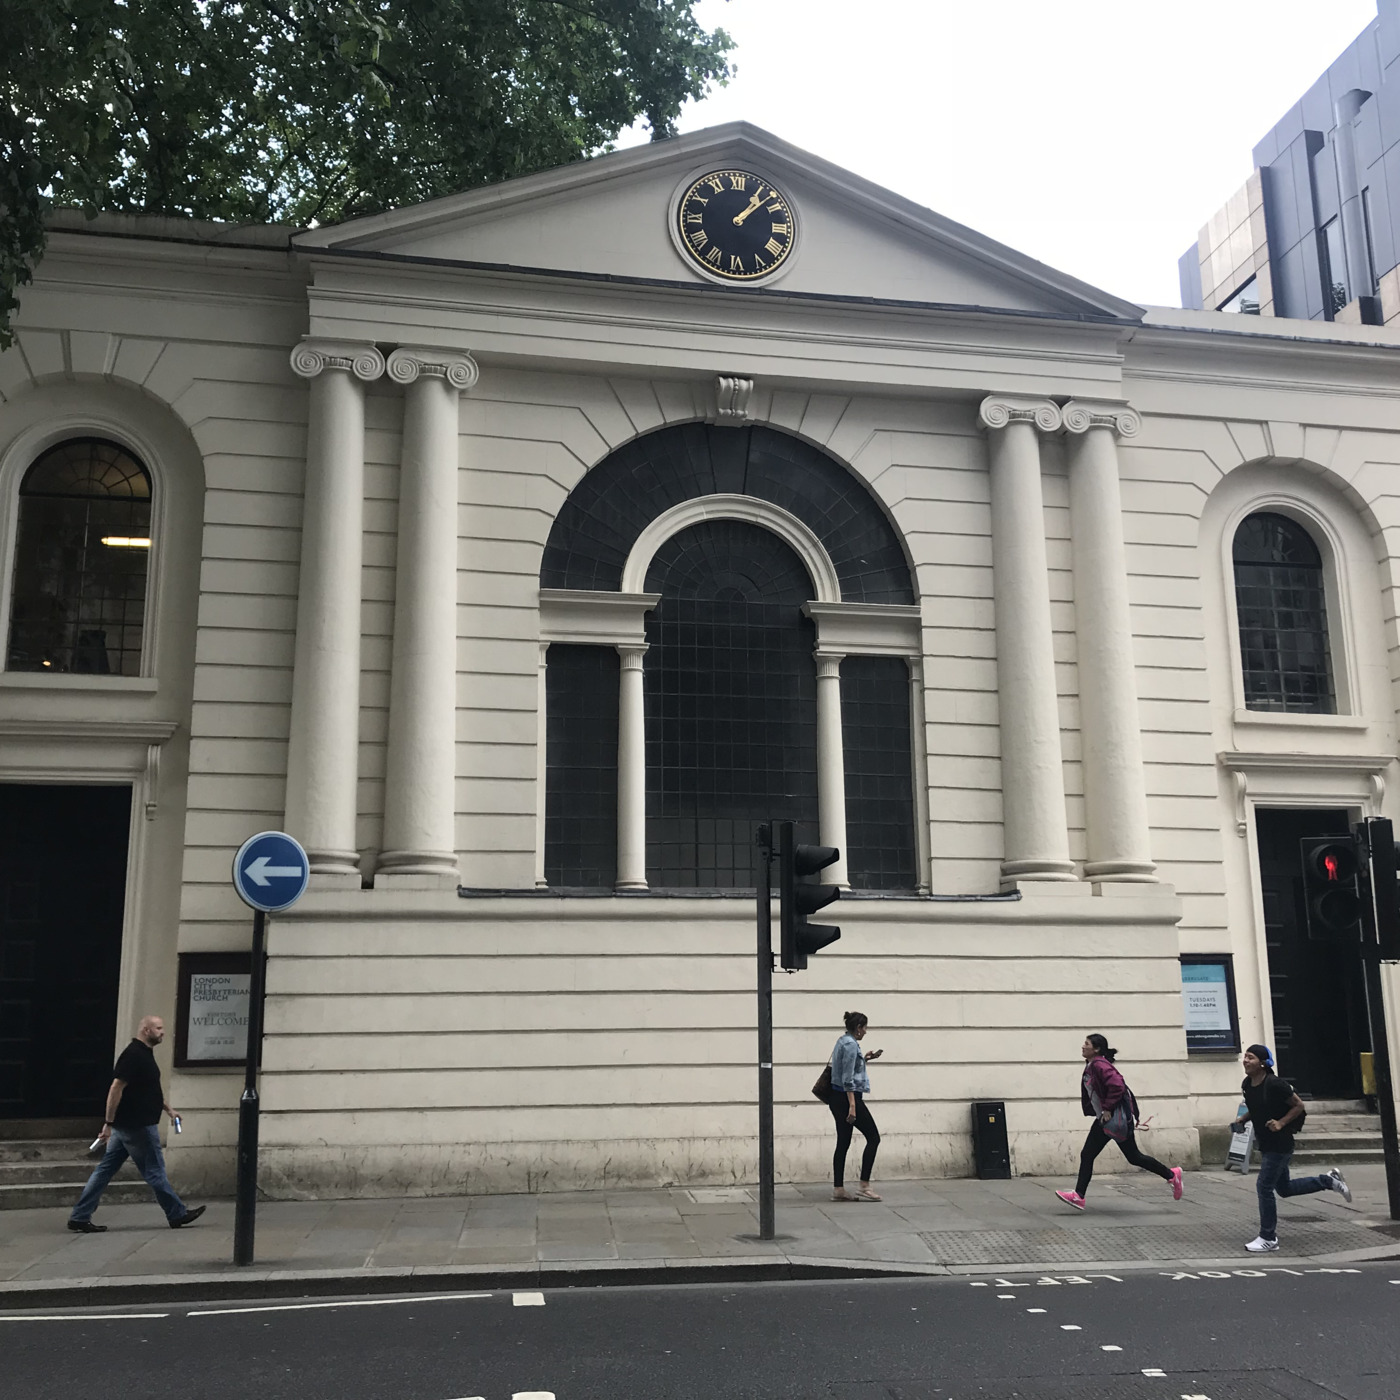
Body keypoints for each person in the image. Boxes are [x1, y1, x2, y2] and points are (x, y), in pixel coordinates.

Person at [68, 1015, 205, 1233]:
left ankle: (79, 1216)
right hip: (137, 1125)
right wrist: (108, 1123)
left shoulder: (144, 1055)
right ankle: (177, 1213)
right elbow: (116, 1089)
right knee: (154, 1171)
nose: (162, 1032)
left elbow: (148, 1090)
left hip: (128, 1126)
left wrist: (169, 1109)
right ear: (146, 1030)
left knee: (105, 1170)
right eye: (158, 1028)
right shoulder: (133, 1055)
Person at [1235, 1043, 1350, 1253]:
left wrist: (1281, 1123)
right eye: (1245, 1056)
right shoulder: (1248, 1084)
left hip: (1280, 1143)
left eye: (1250, 1057)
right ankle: (1328, 1180)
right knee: (1284, 1189)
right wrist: (1242, 1119)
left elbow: (1298, 1105)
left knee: (1264, 1186)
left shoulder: (1275, 1084)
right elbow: (1256, 1107)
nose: (1245, 1061)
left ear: (1262, 1063)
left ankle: (1268, 1237)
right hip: (1266, 1142)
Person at [1056, 1033, 1183, 1210]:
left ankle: (1172, 1175)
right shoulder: (1093, 1064)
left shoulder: (1099, 1065)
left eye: (1087, 1044)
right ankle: (1171, 1175)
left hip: (1113, 1119)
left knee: (1123, 1156)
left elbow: (1117, 1085)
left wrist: (1107, 1108)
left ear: (1097, 1049)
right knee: (1126, 1156)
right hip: (1106, 1119)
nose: (1083, 1047)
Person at [827, 1010, 883, 1202]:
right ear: (858, 1028)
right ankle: (864, 1186)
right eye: (865, 1028)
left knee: (843, 1142)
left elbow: (844, 1068)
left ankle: (838, 1189)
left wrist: (864, 1059)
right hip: (847, 1099)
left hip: (836, 1098)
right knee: (874, 1138)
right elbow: (847, 1078)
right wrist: (852, 1105)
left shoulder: (843, 1040)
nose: (866, 1032)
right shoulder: (851, 1045)